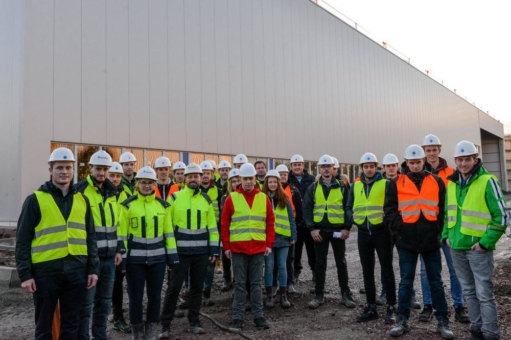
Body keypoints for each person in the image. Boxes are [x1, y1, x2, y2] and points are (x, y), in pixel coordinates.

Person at [15, 147, 99, 339]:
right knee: (44, 326)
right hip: (45, 272)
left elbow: (90, 237)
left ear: (73, 170)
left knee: (71, 324)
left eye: (68, 167)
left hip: (76, 271)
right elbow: (22, 240)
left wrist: (93, 269)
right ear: (50, 169)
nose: (64, 172)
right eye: (59, 167)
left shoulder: (83, 200)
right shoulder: (34, 200)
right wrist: (25, 275)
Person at [385, 144, 454, 339]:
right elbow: (389, 209)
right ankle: (402, 320)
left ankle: (442, 321)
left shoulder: (437, 181)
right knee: (406, 282)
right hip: (406, 240)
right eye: (411, 162)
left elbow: (442, 209)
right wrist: (400, 229)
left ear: (423, 161)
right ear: (406, 163)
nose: (415, 165)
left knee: (436, 282)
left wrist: (437, 231)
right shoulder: (396, 183)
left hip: (430, 240)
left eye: (418, 162)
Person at [443, 141, 508, 340]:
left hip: (478, 249)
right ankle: (476, 329)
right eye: (460, 160)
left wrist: (485, 243)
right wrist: (446, 236)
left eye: (467, 159)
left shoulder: (488, 181)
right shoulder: (452, 183)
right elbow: (448, 214)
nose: (463, 163)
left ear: (475, 160)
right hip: (456, 247)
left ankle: (490, 333)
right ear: (455, 161)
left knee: (484, 293)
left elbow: (502, 217)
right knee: (469, 292)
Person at [118, 166, 179, 340]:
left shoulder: (163, 206)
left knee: (155, 297)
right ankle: (137, 334)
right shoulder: (128, 206)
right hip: (134, 262)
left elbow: (169, 233)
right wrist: (122, 259)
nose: (146, 186)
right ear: (137, 184)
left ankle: (151, 333)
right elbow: (122, 234)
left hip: (158, 260)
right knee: (135, 298)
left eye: (150, 183)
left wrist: (172, 257)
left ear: (154, 185)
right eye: (143, 183)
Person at [159, 163, 219, 337]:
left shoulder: (206, 200)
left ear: (201, 178)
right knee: (174, 288)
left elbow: (212, 229)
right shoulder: (175, 198)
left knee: (197, 289)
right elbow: (167, 227)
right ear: (185, 179)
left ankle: (194, 322)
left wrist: (214, 251)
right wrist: (169, 252)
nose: (194, 179)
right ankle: (165, 325)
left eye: (197, 176)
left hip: (201, 254)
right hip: (180, 254)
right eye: (190, 176)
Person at [419, 134, 469, 323]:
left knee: (455, 269)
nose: (431, 153)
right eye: (428, 150)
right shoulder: (419, 174)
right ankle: (428, 305)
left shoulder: (451, 173)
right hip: (427, 231)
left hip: (449, 228)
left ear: (439, 150)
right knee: (426, 271)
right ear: (424, 151)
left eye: (434, 150)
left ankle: (459, 306)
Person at [221, 163, 276, 331]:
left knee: (256, 284)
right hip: (238, 249)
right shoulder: (232, 198)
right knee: (239, 284)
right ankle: (237, 318)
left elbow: (270, 222)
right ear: (240, 180)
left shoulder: (263, 198)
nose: (248, 182)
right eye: (245, 179)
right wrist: (227, 247)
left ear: (255, 179)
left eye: (251, 178)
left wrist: (269, 244)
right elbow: (224, 224)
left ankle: (258, 317)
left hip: (258, 248)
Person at [76, 151, 124, 340]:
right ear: (90, 169)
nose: (102, 173)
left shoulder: (113, 192)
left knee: (104, 303)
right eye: (98, 169)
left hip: (109, 258)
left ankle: (99, 336)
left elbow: (117, 224)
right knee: (86, 305)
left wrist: (119, 248)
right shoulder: (79, 191)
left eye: (105, 169)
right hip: (89, 260)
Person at [346, 153, 396, 324]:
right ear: (362, 168)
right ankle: (371, 306)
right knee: (367, 271)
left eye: (372, 166)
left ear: (376, 167)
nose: (369, 169)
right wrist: (353, 219)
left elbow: (392, 206)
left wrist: (386, 222)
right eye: (366, 166)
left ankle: (391, 307)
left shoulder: (386, 184)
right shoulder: (355, 186)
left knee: (387, 270)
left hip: (382, 232)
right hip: (363, 233)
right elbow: (348, 206)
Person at [302, 155, 355, 309]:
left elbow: (348, 207)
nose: (326, 169)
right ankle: (319, 295)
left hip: (338, 230)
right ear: (319, 168)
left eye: (329, 166)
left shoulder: (342, 186)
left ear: (334, 168)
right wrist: (312, 229)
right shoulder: (313, 188)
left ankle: (345, 294)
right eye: (323, 166)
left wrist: (347, 227)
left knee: (341, 263)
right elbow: (307, 209)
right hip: (320, 231)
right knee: (320, 263)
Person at [262, 170, 297, 309]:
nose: (272, 184)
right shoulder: (261, 198)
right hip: (267, 239)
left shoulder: (284, 198)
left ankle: (283, 295)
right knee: (269, 268)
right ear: (266, 183)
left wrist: (293, 235)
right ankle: (269, 296)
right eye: (270, 182)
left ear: (278, 183)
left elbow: (291, 218)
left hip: (283, 238)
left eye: (275, 182)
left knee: (282, 267)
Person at [107, 162, 131, 333]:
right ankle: (117, 316)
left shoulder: (128, 194)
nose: (115, 179)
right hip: (110, 247)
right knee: (114, 283)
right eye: (112, 175)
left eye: (117, 176)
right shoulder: (104, 194)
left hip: (128, 246)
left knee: (128, 282)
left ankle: (125, 314)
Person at [288, 154, 316, 286]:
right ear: (291, 166)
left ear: (303, 166)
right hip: (295, 222)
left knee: (312, 249)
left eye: (299, 164)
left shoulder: (311, 179)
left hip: (309, 221)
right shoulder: (287, 180)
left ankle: (315, 272)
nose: (297, 167)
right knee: (296, 251)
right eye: (295, 165)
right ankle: (295, 272)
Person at [275, 164, 302, 294]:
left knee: (290, 258)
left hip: (290, 230)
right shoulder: (272, 193)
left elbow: (299, 210)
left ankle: (289, 283)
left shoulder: (293, 190)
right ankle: (275, 284)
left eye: (285, 174)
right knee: (275, 261)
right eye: (280, 174)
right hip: (276, 232)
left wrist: (295, 229)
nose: (283, 176)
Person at [198, 161, 222, 306]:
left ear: (212, 174)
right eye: (203, 173)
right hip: (198, 231)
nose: (205, 176)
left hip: (214, 231)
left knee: (210, 263)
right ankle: (194, 292)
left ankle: (206, 292)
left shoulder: (218, 191)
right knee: (195, 264)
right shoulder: (195, 190)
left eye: (208, 173)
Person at [218, 168, 242, 292]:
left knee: (238, 261)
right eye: (233, 181)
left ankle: (237, 282)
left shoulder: (243, 197)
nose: (236, 183)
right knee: (226, 257)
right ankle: (227, 280)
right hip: (228, 232)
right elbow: (224, 218)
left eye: (238, 180)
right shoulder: (224, 198)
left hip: (240, 233)